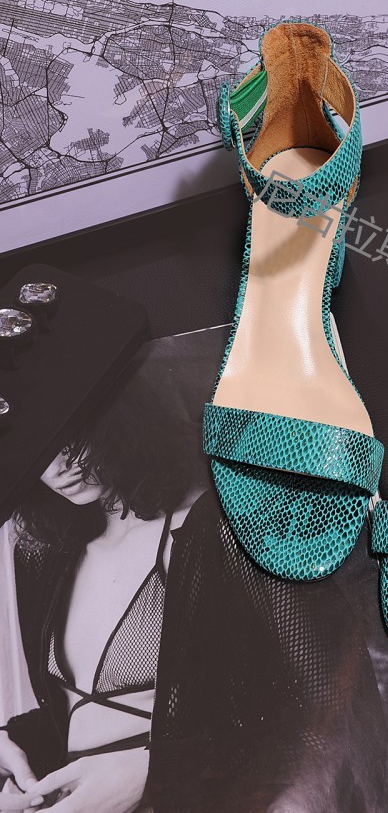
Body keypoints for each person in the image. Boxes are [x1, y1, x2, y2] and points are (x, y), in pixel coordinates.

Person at [0, 342, 204, 813]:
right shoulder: (48, 559)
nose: (58, 465)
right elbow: (78, 718)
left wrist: (153, 771)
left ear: (115, 411)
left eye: (69, 431)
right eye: (36, 441)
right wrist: (12, 748)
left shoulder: (201, 531)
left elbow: (294, 710)